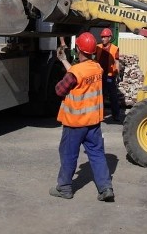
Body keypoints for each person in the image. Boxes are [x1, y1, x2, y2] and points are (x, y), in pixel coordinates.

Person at [49, 32, 115, 202]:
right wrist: (64, 61)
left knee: (68, 154)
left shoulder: (75, 72)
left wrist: (63, 66)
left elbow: (60, 89)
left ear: (78, 48)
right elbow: (80, 74)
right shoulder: (97, 68)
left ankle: (64, 188)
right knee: (97, 154)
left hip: (75, 123)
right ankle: (105, 188)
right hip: (93, 122)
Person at [96, 27, 122, 122]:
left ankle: (116, 115)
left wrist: (118, 74)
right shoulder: (98, 47)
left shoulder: (115, 49)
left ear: (109, 38)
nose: (103, 39)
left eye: (105, 37)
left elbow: (117, 62)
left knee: (113, 96)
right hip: (100, 75)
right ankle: (100, 115)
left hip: (110, 75)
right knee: (100, 96)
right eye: (102, 37)